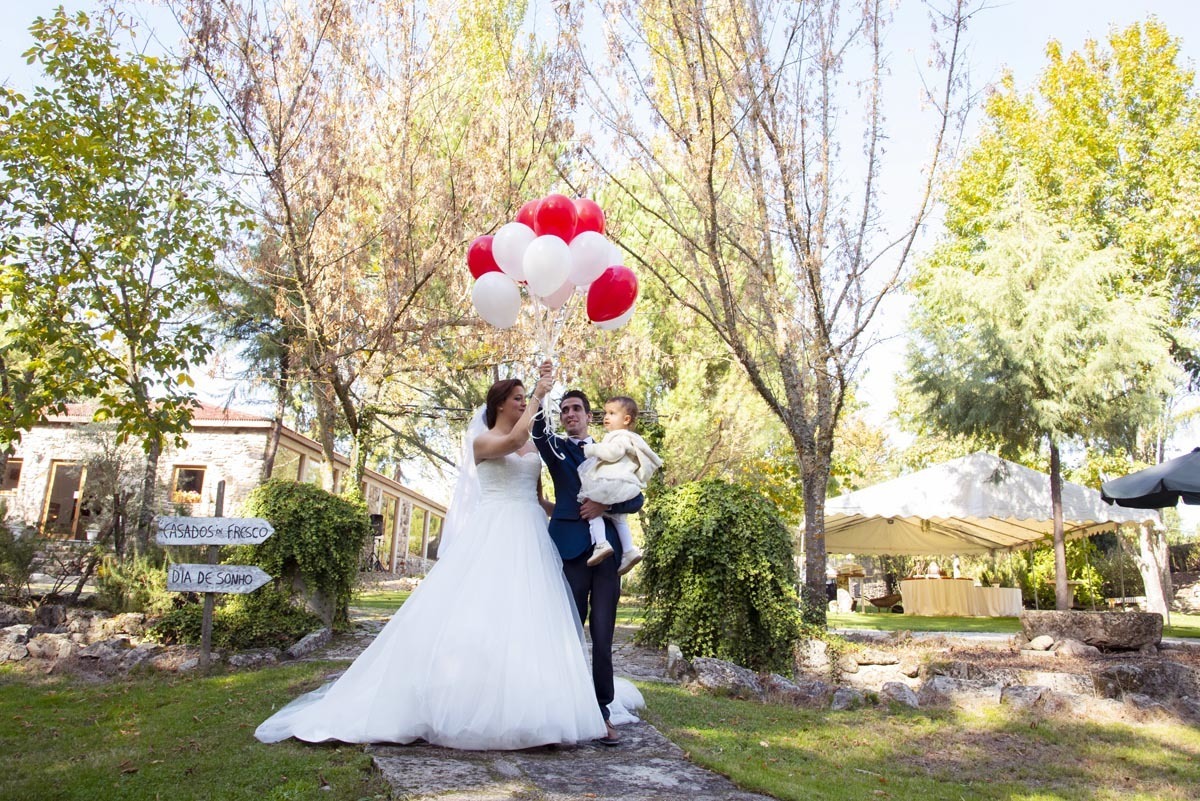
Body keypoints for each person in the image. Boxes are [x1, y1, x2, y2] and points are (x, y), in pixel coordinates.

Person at [255, 374, 622, 749]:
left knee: (529, 617)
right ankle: (472, 699)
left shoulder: (531, 446)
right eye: (516, 398)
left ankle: (539, 705)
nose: (521, 402)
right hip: (497, 532)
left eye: (523, 398)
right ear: (499, 404)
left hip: (531, 534)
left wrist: (580, 510)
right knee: (484, 615)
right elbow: (512, 441)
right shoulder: (484, 441)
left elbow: (538, 497)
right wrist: (540, 396)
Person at [532, 361, 644, 746]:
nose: (570, 414)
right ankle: (560, 711)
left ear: (588, 415)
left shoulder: (613, 449)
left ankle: (602, 712)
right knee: (567, 632)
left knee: (602, 634)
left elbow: (637, 497)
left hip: (608, 554)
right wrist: (542, 389)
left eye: (576, 409)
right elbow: (536, 430)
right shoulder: (558, 449)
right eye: (564, 410)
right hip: (569, 551)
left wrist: (604, 506)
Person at [577, 396, 662, 575]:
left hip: (610, 482)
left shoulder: (620, 437)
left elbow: (613, 453)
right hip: (622, 484)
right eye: (606, 413)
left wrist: (591, 449)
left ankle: (601, 544)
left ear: (626, 419)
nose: (606, 417)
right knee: (619, 519)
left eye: (612, 413)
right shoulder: (630, 438)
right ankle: (629, 550)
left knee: (590, 506)